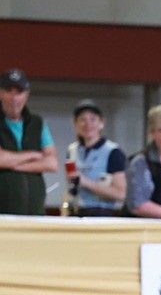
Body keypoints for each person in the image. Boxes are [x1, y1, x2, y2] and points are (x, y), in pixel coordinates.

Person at [0, 68, 59, 215]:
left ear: (26, 95)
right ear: (1, 93)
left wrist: (12, 164)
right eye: (9, 91)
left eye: (19, 92)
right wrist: (33, 154)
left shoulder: (37, 123)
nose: (14, 98)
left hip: (35, 214)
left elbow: (52, 163)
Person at [67, 100, 127, 217]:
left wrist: (86, 183)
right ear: (75, 123)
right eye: (82, 120)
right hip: (77, 210)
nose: (88, 124)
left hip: (101, 213)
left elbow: (121, 194)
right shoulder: (72, 150)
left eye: (93, 119)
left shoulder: (113, 152)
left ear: (101, 123)